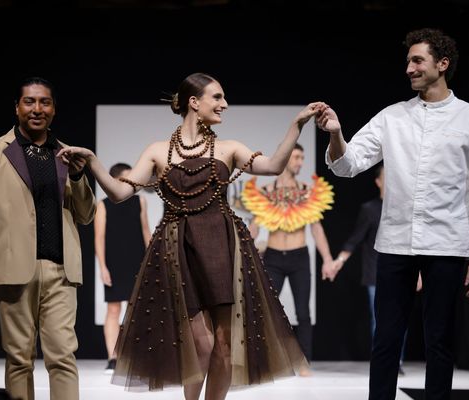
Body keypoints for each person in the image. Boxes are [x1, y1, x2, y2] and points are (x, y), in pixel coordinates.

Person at [57, 72, 326, 399]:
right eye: (218, 97)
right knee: (201, 344)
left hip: (220, 247)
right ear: (193, 103)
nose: (225, 104)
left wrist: (296, 125)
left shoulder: (229, 148)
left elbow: (271, 166)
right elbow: (117, 193)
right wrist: (94, 162)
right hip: (178, 249)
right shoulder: (158, 151)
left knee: (224, 345)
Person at [318, 28, 469, 400]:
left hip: (447, 245)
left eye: (417, 60)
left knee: (440, 341)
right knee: (385, 340)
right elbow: (348, 164)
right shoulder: (392, 117)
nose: (409, 68)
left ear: (442, 64)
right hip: (395, 244)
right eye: (408, 61)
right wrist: (337, 133)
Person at [0, 77, 96, 400]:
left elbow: (87, 214)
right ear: (17, 107)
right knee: (19, 359)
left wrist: (78, 176)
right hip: (12, 269)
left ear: (54, 109)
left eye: (45, 102)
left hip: (61, 270)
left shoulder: (66, 154)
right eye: (30, 102)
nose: (37, 109)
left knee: (63, 357)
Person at [242, 142, 335, 376]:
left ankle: (302, 361)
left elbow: (317, 229)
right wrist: (243, 253)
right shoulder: (266, 191)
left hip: (299, 257)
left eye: (302, 158)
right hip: (272, 257)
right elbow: (254, 226)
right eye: (296, 158)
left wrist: (327, 259)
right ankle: (268, 360)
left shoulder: (306, 191)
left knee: (303, 311)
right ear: (284, 159)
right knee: (268, 311)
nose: (300, 162)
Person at [324, 164, 415, 376]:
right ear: (378, 182)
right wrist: (338, 261)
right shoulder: (370, 209)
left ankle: (397, 360)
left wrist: (418, 272)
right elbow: (355, 239)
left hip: (403, 271)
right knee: (380, 319)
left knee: (401, 318)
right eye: (387, 176)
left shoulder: (404, 208)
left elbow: (412, 241)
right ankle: (383, 361)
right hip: (376, 272)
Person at [94, 162, 152, 373]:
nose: (131, 182)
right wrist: (102, 266)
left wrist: (150, 261)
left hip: (137, 259)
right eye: (127, 178)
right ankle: (113, 356)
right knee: (113, 308)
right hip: (115, 262)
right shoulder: (103, 205)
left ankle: (133, 356)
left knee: (135, 310)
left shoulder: (140, 201)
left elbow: (146, 232)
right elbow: (99, 238)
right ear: (115, 180)